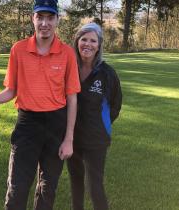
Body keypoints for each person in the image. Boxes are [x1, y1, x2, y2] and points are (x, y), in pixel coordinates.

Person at [0, 0, 81, 210]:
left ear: (57, 20)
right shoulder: (18, 50)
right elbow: (11, 91)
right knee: (17, 187)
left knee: (48, 188)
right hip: (27, 124)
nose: (44, 23)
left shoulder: (67, 53)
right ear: (33, 18)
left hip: (56, 124)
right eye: (40, 17)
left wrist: (69, 139)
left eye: (50, 17)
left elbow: (72, 98)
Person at [67, 22, 122, 210]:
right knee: (76, 183)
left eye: (93, 40)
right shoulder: (69, 69)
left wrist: (101, 123)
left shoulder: (107, 73)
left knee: (95, 187)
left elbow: (116, 105)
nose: (87, 44)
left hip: (96, 140)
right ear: (77, 42)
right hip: (71, 138)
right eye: (84, 39)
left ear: (99, 45)